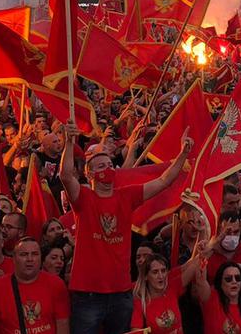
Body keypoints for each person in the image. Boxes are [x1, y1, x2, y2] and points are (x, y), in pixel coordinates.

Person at [60, 122, 193, 334]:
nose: (108, 169)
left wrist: (183, 153)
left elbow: (164, 181)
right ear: (89, 174)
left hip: (121, 292)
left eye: (110, 165)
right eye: (101, 166)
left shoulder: (126, 196)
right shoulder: (84, 198)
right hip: (88, 294)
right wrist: (68, 142)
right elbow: (66, 176)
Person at [0, 237, 69, 334]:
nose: (30, 259)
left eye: (34, 254)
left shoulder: (56, 284)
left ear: (41, 257)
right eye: (24, 254)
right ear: (14, 258)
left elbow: (63, 323)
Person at [130, 251, 204, 334]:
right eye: (155, 272)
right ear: (146, 276)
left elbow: (194, 265)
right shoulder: (139, 304)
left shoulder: (172, 288)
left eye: (163, 270)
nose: (161, 276)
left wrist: (207, 247)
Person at [192, 260, 241, 334]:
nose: (234, 281)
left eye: (238, 278)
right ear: (220, 282)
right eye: (228, 279)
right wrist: (202, 256)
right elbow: (200, 280)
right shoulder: (211, 298)